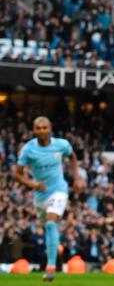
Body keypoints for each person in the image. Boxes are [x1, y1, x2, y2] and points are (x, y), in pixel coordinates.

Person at [13, 117, 85, 282]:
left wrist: (77, 178)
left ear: (50, 129)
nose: (41, 130)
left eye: (44, 127)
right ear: (34, 130)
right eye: (38, 128)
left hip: (59, 190)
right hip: (40, 196)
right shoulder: (28, 150)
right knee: (48, 227)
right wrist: (32, 184)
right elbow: (17, 174)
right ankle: (53, 255)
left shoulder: (61, 144)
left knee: (52, 223)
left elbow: (72, 157)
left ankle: (51, 268)